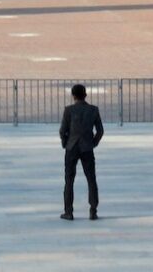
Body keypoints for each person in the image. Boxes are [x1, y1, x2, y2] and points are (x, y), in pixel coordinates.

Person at [59, 83, 103, 221]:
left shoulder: (69, 110)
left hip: (72, 147)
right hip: (87, 147)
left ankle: (68, 211)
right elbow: (100, 131)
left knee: (69, 180)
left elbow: (62, 130)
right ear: (85, 95)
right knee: (91, 179)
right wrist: (93, 143)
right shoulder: (93, 110)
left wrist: (65, 143)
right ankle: (93, 210)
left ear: (73, 95)